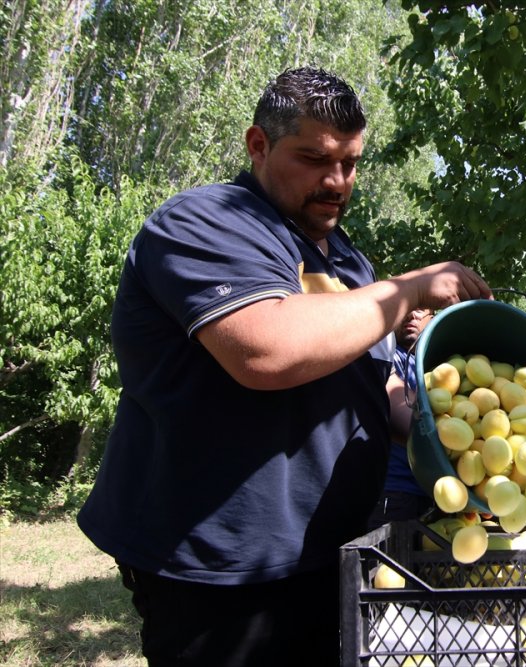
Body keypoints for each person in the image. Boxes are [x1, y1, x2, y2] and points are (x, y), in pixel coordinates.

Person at [76, 67, 492, 666]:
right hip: (218, 573)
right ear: (258, 145)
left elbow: (382, 387)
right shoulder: (206, 220)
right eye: (314, 158)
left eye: (350, 163)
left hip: (332, 556)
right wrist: (407, 289)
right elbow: (265, 350)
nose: (337, 182)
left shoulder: (351, 264)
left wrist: (457, 437)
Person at [367, 308, 435, 530]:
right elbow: (405, 419)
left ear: (432, 319)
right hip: (394, 495)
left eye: (423, 311)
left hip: (430, 495)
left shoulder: (425, 367)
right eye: (408, 308)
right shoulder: (386, 356)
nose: (413, 315)